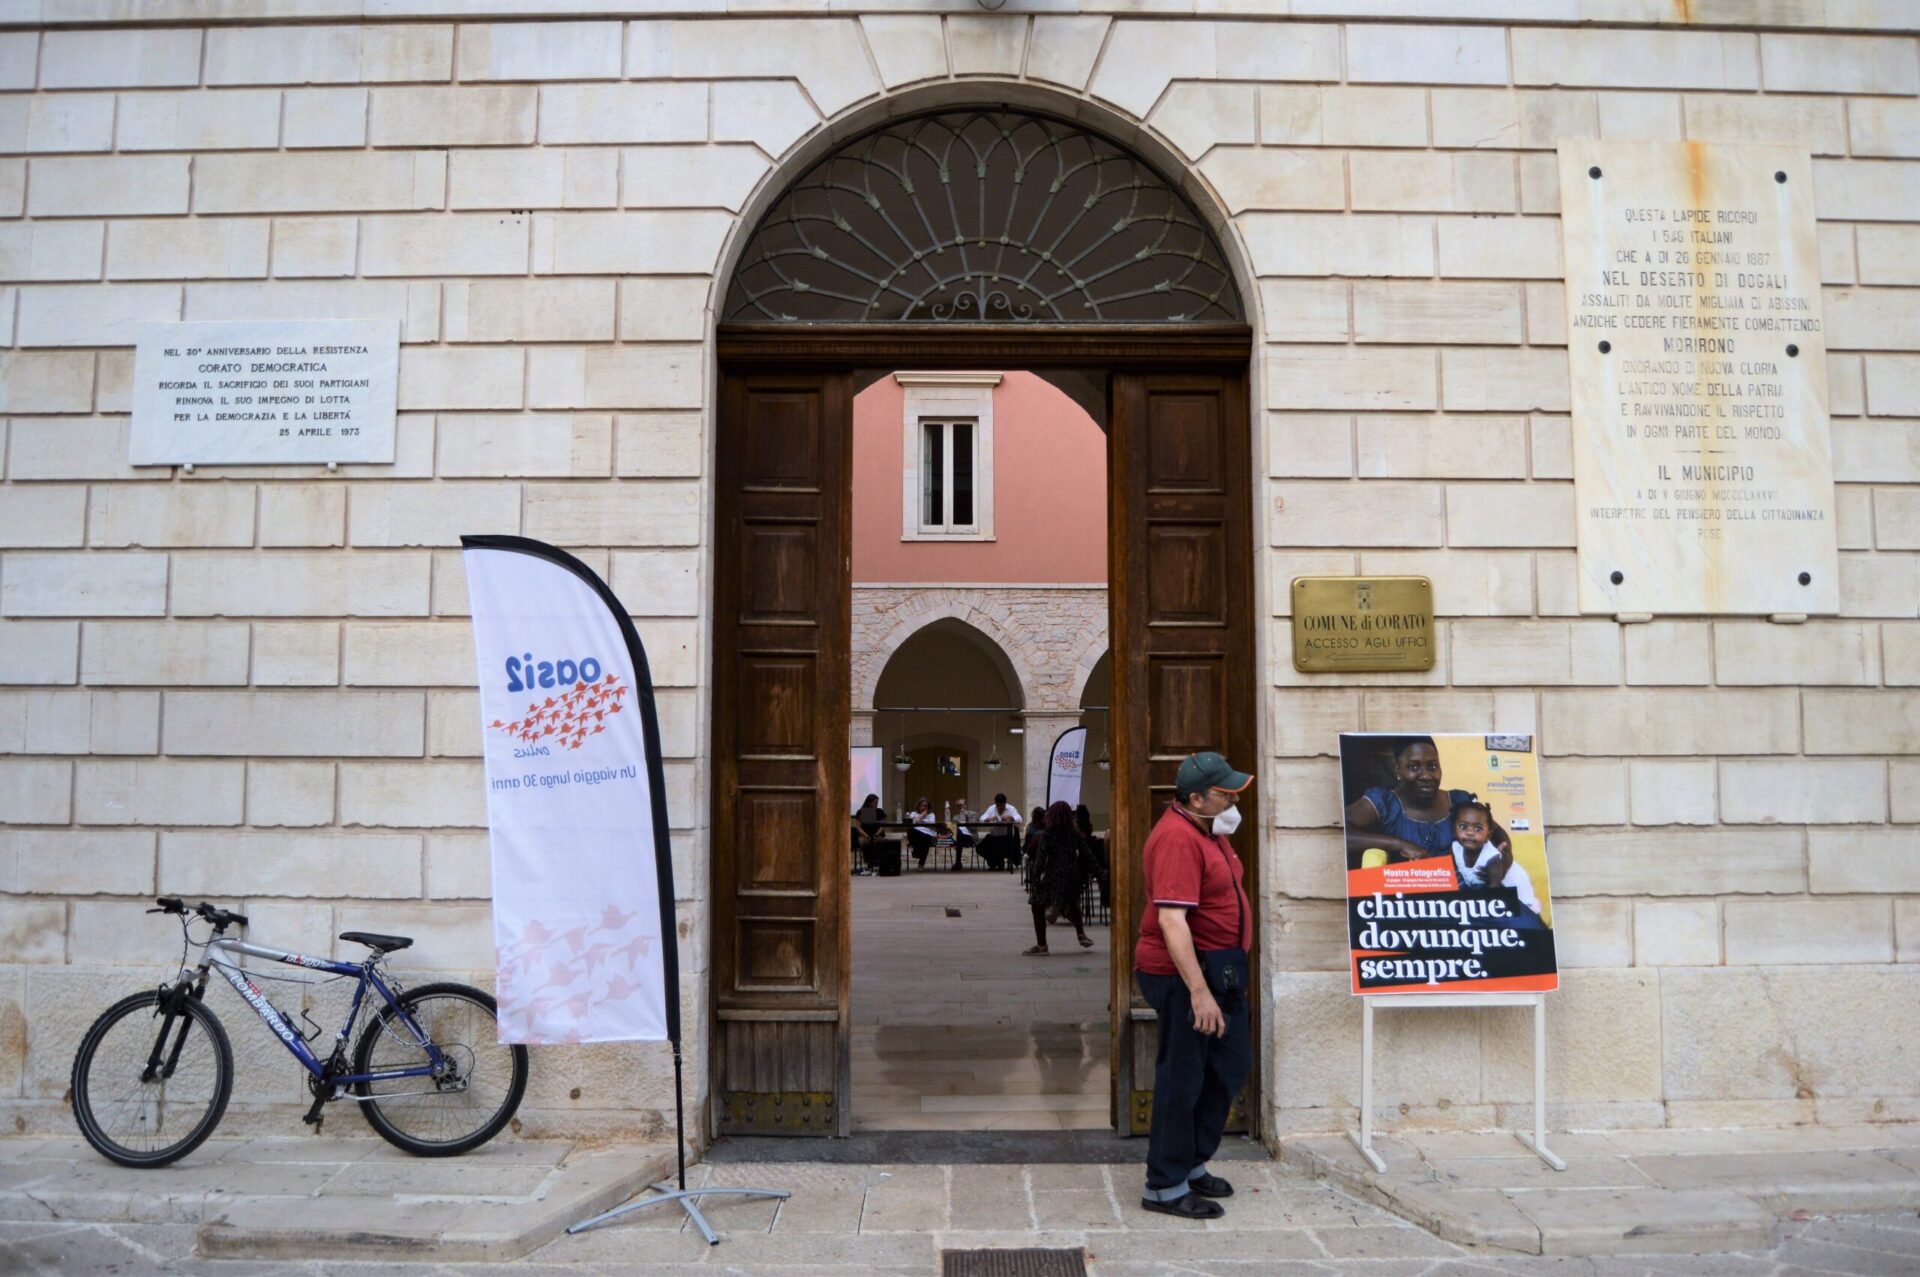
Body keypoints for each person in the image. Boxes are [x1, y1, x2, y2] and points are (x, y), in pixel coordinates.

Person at [1134, 750, 1254, 1221]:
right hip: (1185, 975)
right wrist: (1199, 992)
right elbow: (1172, 921)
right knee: (1182, 1079)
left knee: (1228, 1066)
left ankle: (1192, 1162)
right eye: (1225, 793)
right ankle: (1164, 1185)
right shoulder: (1177, 840)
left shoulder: (1210, 830)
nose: (1233, 798)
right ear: (1196, 798)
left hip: (1219, 969)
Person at [1343, 735, 1508, 869]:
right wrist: (1398, 844)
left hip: (1458, 900)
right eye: (1414, 767)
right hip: (1404, 901)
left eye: (1433, 766)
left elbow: (1500, 838)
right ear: (1398, 770)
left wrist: (1500, 865)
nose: (1426, 776)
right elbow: (1343, 833)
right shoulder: (1385, 801)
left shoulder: (1459, 801)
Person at [1450, 801, 1544, 928]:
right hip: (1486, 889)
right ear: (1454, 830)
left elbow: (1495, 892)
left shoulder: (1491, 858)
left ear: (1488, 835)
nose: (1470, 832)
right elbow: (1456, 873)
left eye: (1478, 829)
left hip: (1513, 892)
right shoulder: (1455, 847)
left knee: (1525, 925)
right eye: (1463, 826)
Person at [1023, 801, 1094, 955]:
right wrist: (1099, 873)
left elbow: (1040, 859)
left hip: (1053, 876)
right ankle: (1081, 934)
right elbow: (1087, 854)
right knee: (1072, 901)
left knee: (1037, 905)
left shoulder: (1048, 833)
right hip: (1072, 876)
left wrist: (1035, 880)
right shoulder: (1074, 833)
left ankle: (1042, 946)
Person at [979, 792, 1022, 871]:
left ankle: (1000, 864)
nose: (1000, 807)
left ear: (1005, 803)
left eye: (1001, 805)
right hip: (993, 837)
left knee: (999, 848)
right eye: (998, 805)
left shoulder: (1011, 809)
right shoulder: (991, 808)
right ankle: (993, 863)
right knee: (980, 847)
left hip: (1006, 838)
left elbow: (1019, 818)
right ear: (995, 804)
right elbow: (982, 818)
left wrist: (1012, 818)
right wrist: (988, 819)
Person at [906, 797, 939, 869]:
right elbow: (913, 823)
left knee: (925, 841)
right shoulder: (913, 813)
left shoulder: (931, 815)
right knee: (910, 831)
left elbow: (931, 825)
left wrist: (920, 820)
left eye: (925, 806)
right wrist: (922, 815)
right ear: (918, 806)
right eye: (922, 805)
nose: (923, 807)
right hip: (917, 835)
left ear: (928, 807)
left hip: (928, 835)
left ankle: (916, 853)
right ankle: (920, 863)